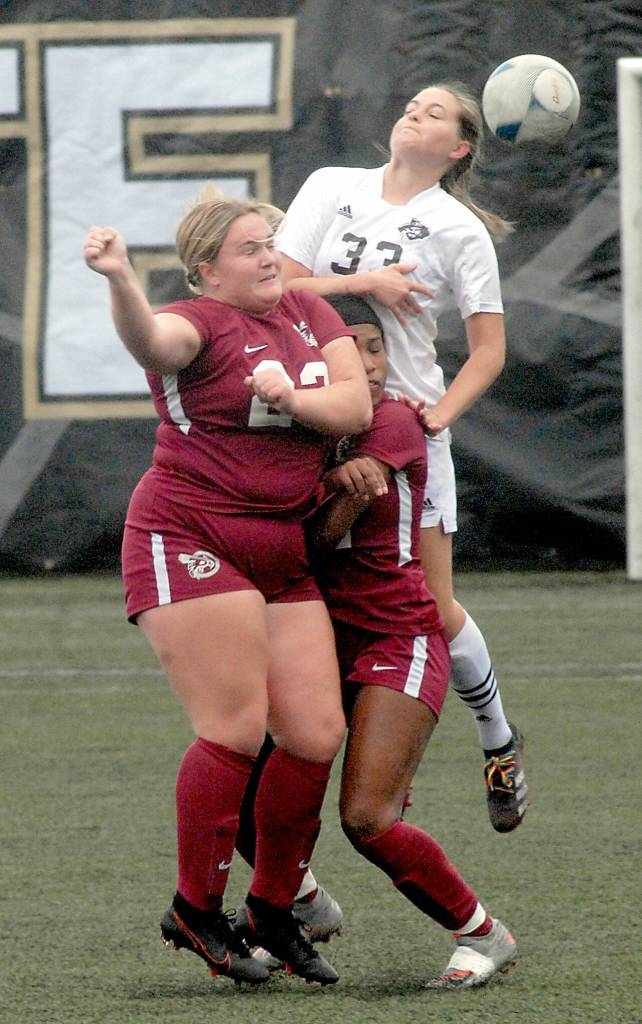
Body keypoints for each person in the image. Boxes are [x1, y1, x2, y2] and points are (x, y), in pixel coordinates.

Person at [82, 189, 375, 987]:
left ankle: (274, 911)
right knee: (237, 727)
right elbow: (152, 341)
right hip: (192, 533)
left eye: (272, 241)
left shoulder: (311, 313)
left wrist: (292, 397)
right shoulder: (199, 321)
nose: (270, 256)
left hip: (281, 545)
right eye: (250, 247)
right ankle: (195, 907)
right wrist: (119, 280)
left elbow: (353, 402)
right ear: (207, 270)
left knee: (315, 732)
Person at [276, 81, 528, 833]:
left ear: (459, 149)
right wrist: (363, 283)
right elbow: (284, 290)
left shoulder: (457, 230)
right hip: (315, 421)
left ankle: (498, 740)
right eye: (411, 103)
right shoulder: (332, 186)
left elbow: (489, 351)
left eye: (436, 113)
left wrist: (435, 419)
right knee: (307, 597)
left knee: (428, 605)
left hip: (398, 434)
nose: (414, 111)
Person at [310, 294, 517, 989]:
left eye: (375, 346)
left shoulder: (394, 416)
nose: (367, 364)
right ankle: (296, 907)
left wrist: (335, 487)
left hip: (397, 635)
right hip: (318, 639)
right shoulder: (300, 427)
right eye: (350, 347)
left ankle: (483, 934)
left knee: (366, 817)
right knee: (251, 788)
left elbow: (321, 531)